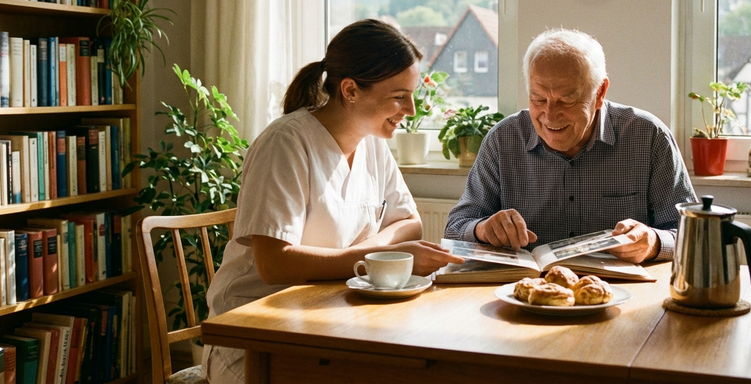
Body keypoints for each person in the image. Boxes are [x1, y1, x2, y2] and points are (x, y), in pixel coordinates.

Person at [204, 19, 464, 384]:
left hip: (330, 322)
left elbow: (410, 223)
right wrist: (375, 259)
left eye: (412, 94)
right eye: (399, 96)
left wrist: (374, 250)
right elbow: (274, 264)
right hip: (255, 334)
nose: (411, 109)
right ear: (351, 90)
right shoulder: (286, 144)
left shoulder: (372, 142)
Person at [444, 28, 696, 264]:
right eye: (538, 98)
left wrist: (652, 242)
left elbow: (692, 235)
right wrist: (481, 229)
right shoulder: (504, 139)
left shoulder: (648, 136)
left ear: (600, 92)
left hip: (620, 294)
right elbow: (455, 229)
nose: (550, 115)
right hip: (526, 293)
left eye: (567, 99)